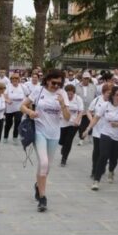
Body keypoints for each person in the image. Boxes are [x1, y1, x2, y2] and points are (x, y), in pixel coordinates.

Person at [20, 69, 70, 212]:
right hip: (40, 131)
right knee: (43, 162)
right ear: (48, 80)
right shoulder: (38, 91)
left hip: (54, 134)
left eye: (59, 84)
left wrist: (62, 104)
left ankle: (38, 185)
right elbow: (22, 106)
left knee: (46, 168)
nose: (56, 86)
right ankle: (43, 198)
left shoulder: (62, 94)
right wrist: (30, 112)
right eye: (54, 83)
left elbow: (67, 117)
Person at [83, 86, 118, 191]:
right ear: (112, 96)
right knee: (103, 155)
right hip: (106, 133)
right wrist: (88, 129)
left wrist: (117, 124)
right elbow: (96, 118)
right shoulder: (105, 105)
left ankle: (111, 170)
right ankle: (96, 180)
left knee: (113, 158)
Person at [86, 83, 112, 179]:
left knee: (104, 152)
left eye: (110, 93)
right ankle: (94, 170)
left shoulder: (113, 103)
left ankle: (102, 167)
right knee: (96, 151)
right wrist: (91, 120)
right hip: (97, 130)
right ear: (103, 92)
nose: (109, 95)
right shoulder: (97, 100)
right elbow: (89, 111)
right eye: (107, 93)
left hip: (108, 132)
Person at [59, 84, 83, 166]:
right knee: (62, 141)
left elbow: (81, 111)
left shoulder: (78, 98)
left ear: (74, 93)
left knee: (68, 141)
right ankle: (63, 147)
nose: (69, 96)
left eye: (71, 94)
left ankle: (64, 159)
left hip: (74, 123)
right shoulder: (62, 98)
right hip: (63, 122)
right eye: (68, 94)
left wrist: (77, 120)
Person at [75, 72, 97, 146]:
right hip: (81, 108)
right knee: (82, 125)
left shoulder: (93, 86)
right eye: (85, 78)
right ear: (82, 78)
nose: (86, 80)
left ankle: (90, 135)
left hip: (90, 109)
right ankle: (81, 138)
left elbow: (95, 97)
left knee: (90, 122)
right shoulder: (77, 86)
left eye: (88, 78)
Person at [3, 74, 26, 144]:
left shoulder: (23, 86)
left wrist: (26, 105)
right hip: (10, 108)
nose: (15, 80)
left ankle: (15, 137)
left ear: (19, 80)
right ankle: (5, 136)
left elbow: (28, 95)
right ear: (11, 80)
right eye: (13, 79)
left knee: (18, 121)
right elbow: (4, 96)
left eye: (16, 79)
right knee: (9, 123)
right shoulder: (8, 86)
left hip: (19, 108)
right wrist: (7, 100)